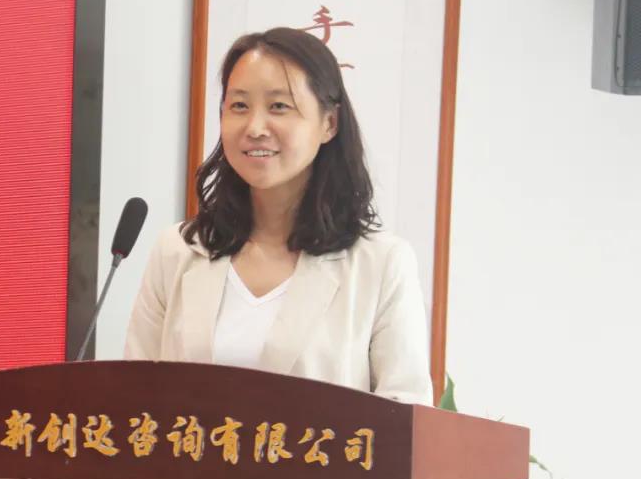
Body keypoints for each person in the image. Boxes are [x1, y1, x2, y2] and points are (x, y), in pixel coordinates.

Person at [123, 27, 432, 405]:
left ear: (329, 123)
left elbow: (406, 415)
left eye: (279, 107)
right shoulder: (177, 251)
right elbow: (133, 400)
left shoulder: (381, 264)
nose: (255, 128)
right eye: (239, 106)